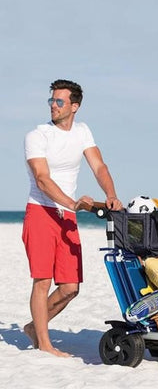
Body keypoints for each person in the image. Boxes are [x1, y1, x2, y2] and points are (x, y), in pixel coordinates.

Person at [22, 79, 123, 357]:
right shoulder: (37, 135)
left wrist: (111, 194)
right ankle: (44, 344)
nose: (53, 106)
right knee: (42, 281)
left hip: (66, 217)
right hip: (41, 212)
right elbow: (42, 179)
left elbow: (99, 166)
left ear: (74, 106)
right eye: (51, 101)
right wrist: (72, 203)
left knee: (70, 287)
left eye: (59, 101)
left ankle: (33, 327)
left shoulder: (82, 132)